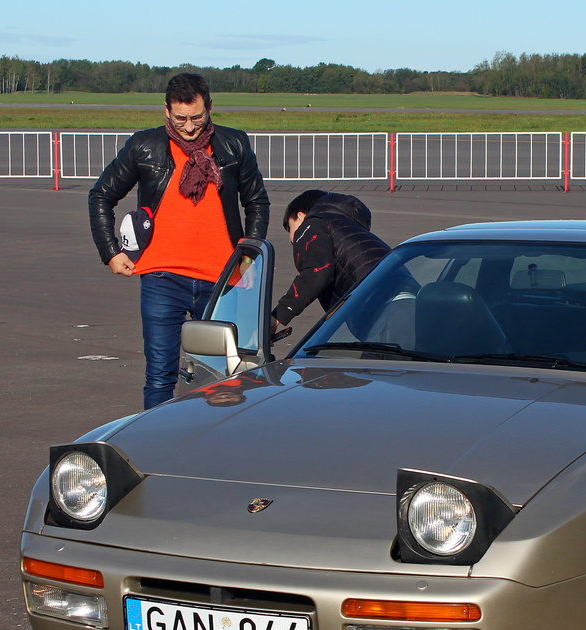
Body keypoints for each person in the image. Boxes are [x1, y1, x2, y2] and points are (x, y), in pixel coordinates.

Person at [88, 72, 269, 409]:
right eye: (180, 118)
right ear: (166, 111)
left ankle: (215, 450)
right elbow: (101, 194)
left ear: (210, 107)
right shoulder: (144, 145)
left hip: (222, 280)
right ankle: (157, 448)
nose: (189, 127)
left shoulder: (234, 144)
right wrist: (110, 252)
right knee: (159, 375)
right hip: (162, 279)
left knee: (224, 376)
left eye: (197, 117)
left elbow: (257, 202)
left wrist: (248, 259)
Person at [271, 190, 390, 332]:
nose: (291, 240)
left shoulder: (311, 225)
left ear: (301, 216)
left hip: (381, 309)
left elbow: (317, 273)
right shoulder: (347, 230)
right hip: (401, 298)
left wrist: (276, 318)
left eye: (290, 228)